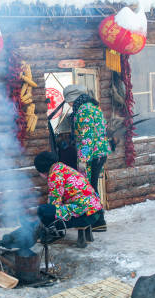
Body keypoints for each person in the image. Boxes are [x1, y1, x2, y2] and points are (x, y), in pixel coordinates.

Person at [62, 84, 110, 232]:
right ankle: (97, 220)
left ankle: (98, 221)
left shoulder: (84, 110)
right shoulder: (93, 107)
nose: (69, 104)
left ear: (74, 98)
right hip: (99, 152)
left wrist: (83, 159)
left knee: (89, 189)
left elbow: (87, 136)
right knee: (92, 187)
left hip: (91, 155)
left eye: (69, 101)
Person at [34, 151, 103, 248]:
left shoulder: (54, 175)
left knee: (44, 210)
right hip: (95, 211)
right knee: (53, 209)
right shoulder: (63, 168)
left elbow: (54, 204)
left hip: (85, 216)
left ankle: (53, 234)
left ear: (42, 169)